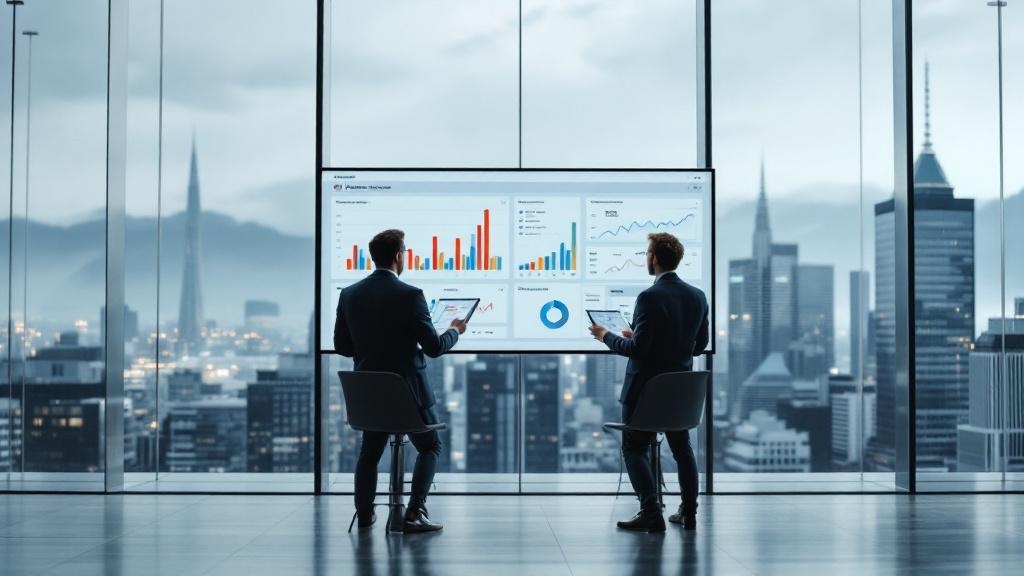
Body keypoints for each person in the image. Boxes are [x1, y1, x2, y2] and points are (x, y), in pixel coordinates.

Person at [334, 229, 467, 533]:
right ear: (398, 256)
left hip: (369, 393)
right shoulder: (411, 295)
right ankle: (414, 512)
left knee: (370, 451)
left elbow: (342, 347)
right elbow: (434, 348)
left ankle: (365, 515)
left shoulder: (349, 294)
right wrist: (455, 330)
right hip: (408, 395)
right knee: (431, 445)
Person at [589, 232, 709, 532]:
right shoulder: (698, 296)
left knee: (634, 447)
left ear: (654, 258)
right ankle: (689, 512)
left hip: (645, 393)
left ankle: (651, 511)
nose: (646, 258)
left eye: (647, 253)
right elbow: (697, 346)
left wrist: (607, 336)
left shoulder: (648, 296)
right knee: (682, 449)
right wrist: (641, 336)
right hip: (681, 392)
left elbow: (637, 350)